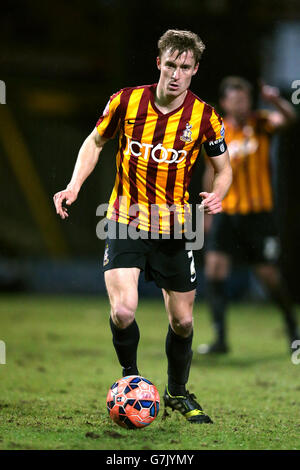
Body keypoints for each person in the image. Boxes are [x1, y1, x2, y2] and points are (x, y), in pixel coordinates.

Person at [53, 30, 232, 424]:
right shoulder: (126, 100)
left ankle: (178, 393)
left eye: (184, 67)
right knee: (122, 310)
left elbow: (224, 168)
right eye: (170, 64)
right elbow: (95, 141)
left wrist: (218, 193)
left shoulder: (205, 117)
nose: (175, 74)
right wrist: (74, 185)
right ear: (159, 63)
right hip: (124, 219)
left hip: (175, 226)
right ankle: (131, 381)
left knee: (183, 321)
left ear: (195, 70)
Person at [198, 76, 299, 355]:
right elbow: (211, 171)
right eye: (236, 99)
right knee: (215, 269)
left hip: (258, 214)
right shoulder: (217, 132)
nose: (242, 104)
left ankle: (293, 331)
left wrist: (276, 100)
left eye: (245, 99)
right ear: (225, 102)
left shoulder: (262, 122)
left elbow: (290, 119)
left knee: (268, 275)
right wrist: (208, 211)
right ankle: (220, 339)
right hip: (226, 213)